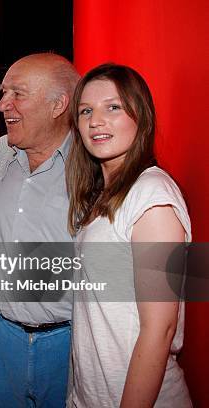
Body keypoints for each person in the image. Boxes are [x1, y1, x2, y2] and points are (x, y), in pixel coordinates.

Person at [66, 63, 192, 407]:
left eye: (113, 107)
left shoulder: (152, 194)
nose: (96, 121)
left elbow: (160, 329)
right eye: (86, 111)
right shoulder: (100, 196)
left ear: (141, 115)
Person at [0, 53, 80, 407]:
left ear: (58, 104)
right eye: (3, 92)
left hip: (70, 345)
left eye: (18, 93)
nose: (3, 104)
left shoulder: (95, 167)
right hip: (0, 340)